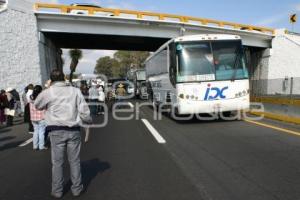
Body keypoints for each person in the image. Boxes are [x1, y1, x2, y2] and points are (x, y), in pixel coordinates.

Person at [34, 69, 92, 198]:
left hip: (56, 131)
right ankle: (77, 189)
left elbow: (37, 105)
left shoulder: (48, 92)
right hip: (73, 130)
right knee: (75, 161)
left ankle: (57, 191)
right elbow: (84, 111)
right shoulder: (75, 91)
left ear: (51, 79)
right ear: (64, 78)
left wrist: (47, 89)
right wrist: (88, 121)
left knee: (57, 163)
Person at [29, 85, 46, 151]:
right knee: (41, 132)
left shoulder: (31, 98)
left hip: (33, 117)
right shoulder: (41, 98)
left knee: (36, 131)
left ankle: (35, 146)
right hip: (41, 117)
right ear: (40, 91)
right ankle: (41, 146)